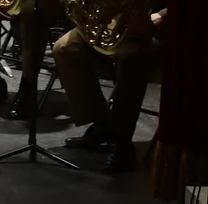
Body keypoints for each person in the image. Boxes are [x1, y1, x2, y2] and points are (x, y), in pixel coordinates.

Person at [54, 9, 164, 172]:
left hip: (157, 29)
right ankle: (101, 124)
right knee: (65, 47)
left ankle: (122, 142)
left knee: (130, 57)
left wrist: (155, 18)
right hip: (119, 20)